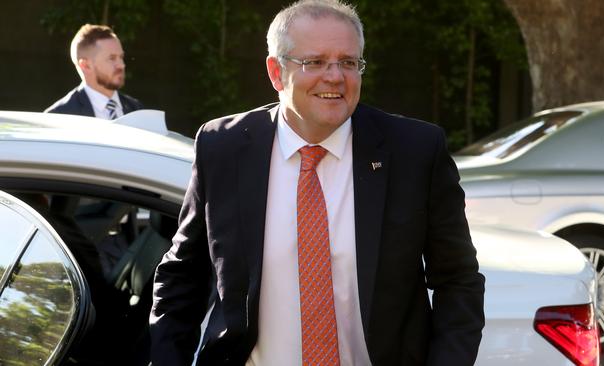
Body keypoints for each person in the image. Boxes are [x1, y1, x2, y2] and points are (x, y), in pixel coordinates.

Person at [149, 0, 485, 365]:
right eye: (315, 62)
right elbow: (181, 276)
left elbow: (458, 280)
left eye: (348, 62)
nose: (335, 76)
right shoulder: (224, 148)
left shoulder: (414, 152)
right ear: (276, 73)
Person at [45, 24, 143, 119]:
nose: (121, 65)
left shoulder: (137, 110)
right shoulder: (59, 116)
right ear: (86, 65)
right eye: (112, 58)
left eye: (121, 57)